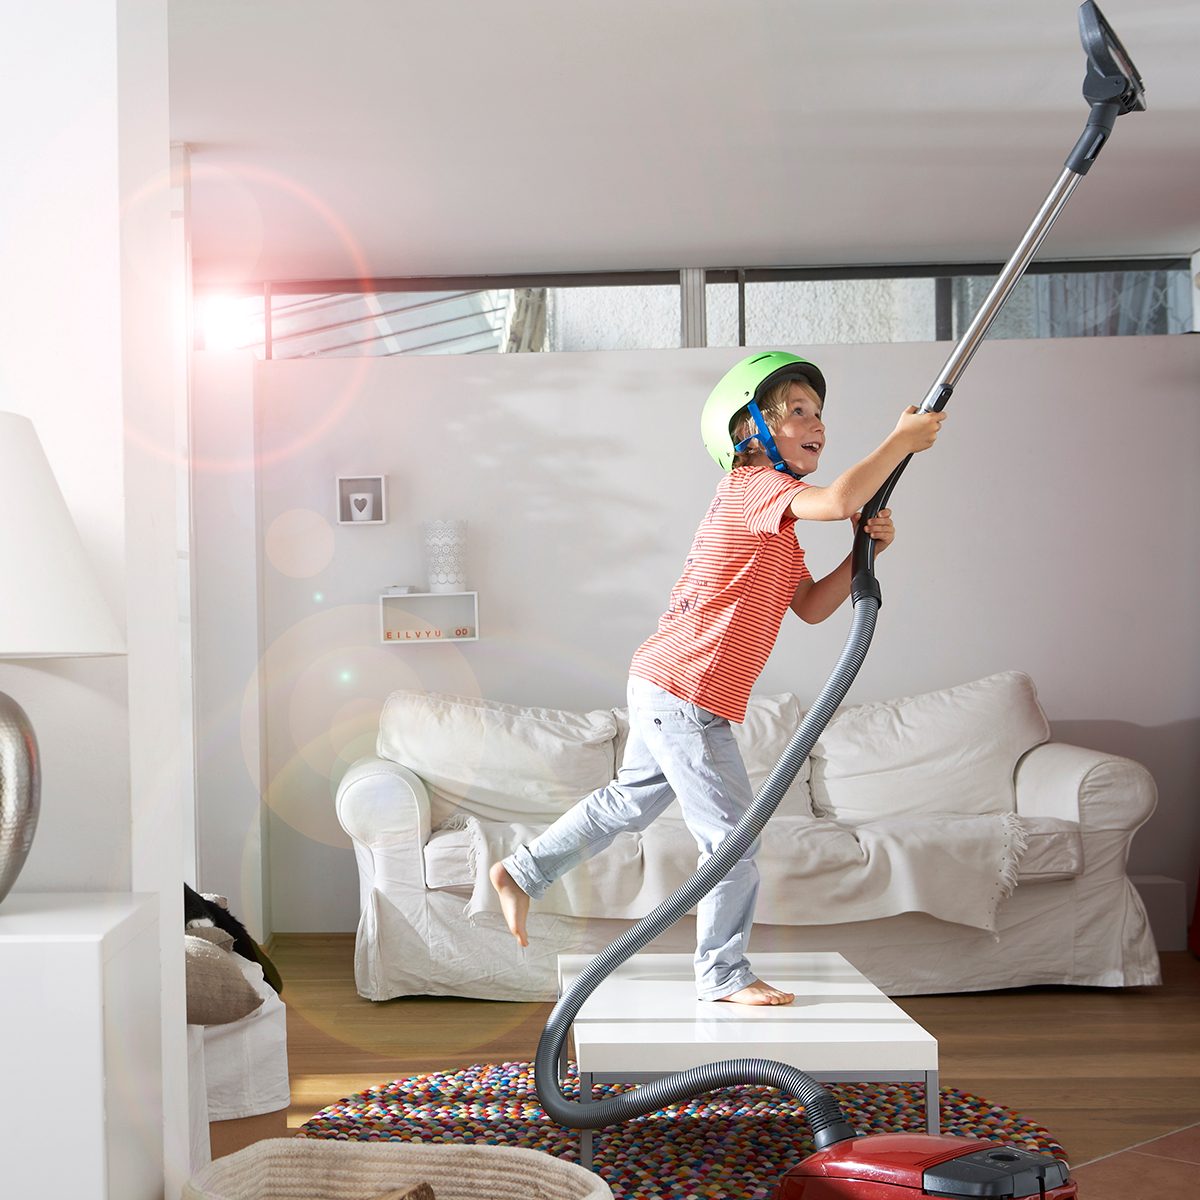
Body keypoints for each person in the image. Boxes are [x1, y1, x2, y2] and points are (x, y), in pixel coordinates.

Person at [490, 352, 946, 1005]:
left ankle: (522, 871)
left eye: (817, 412)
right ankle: (723, 973)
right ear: (748, 434)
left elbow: (814, 607)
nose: (814, 422)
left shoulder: (777, 530)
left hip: (669, 683)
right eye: (795, 411)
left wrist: (867, 553)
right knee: (733, 838)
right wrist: (899, 443)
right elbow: (842, 498)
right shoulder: (750, 487)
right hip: (684, 690)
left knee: (628, 802)